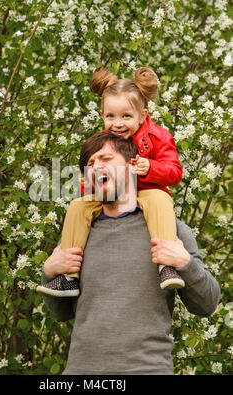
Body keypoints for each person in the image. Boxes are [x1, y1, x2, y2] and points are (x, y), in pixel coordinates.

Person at [40, 133, 220, 375]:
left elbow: (207, 304)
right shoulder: (78, 232)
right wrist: (49, 272)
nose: (97, 167)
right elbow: (60, 313)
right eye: (90, 164)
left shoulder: (168, 229)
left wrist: (185, 263)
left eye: (105, 158)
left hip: (148, 370)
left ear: (132, 166)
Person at [37, 66, 184, 297]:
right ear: (102, 115)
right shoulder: (103, 142)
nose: (118, 124)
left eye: (126, 116)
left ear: (143, 115)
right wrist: (89, 187)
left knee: (159, 199)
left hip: (146, 192)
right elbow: (95, 173)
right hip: (112, 198)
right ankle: (68, 277)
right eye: (111, 116)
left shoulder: (158, 136)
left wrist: (151, 168)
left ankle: (166, 266)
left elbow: (175, 172)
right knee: (77, 206)